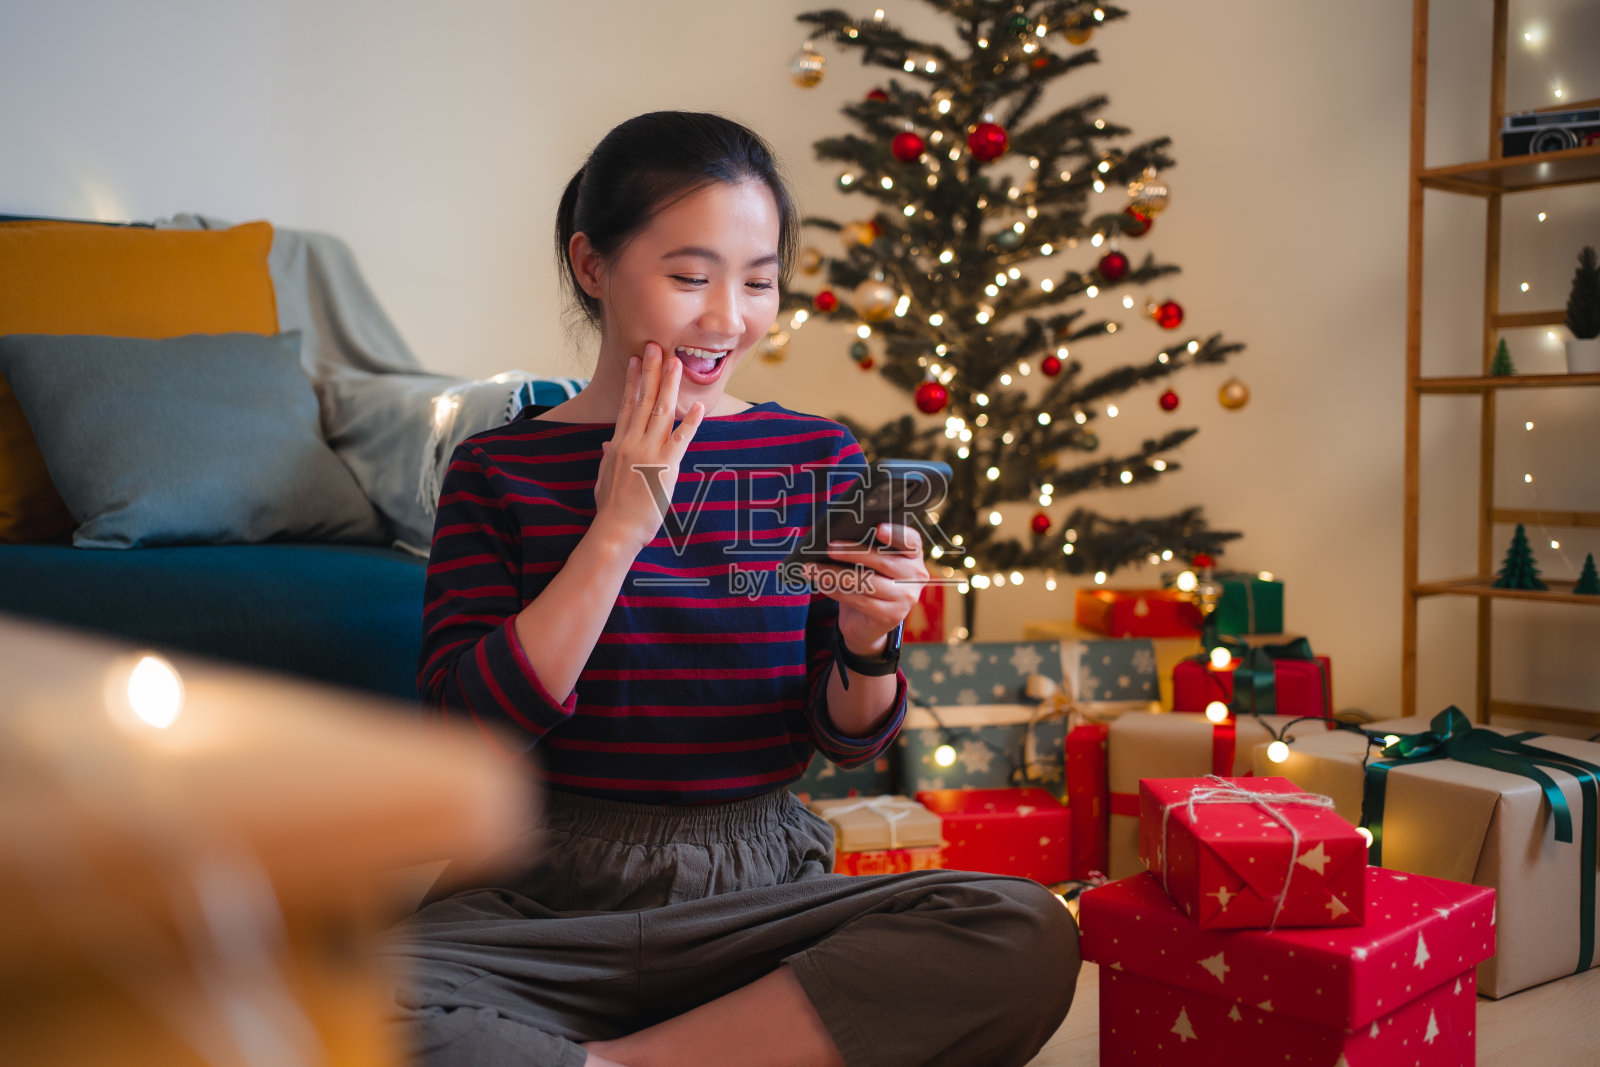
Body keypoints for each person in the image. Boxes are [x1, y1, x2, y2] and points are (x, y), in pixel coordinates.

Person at [383, 111, 1081, 1067]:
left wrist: (870, 637)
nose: (728, 320)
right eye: (690, 277)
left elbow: (847, 735)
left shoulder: (814, 454)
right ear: (593, 266)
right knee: (325, 1000)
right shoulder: (499, 470)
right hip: (542, 898)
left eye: (758, 281)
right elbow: (467, 736)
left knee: (1021, 926)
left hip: (758, 898)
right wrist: (616, 532)